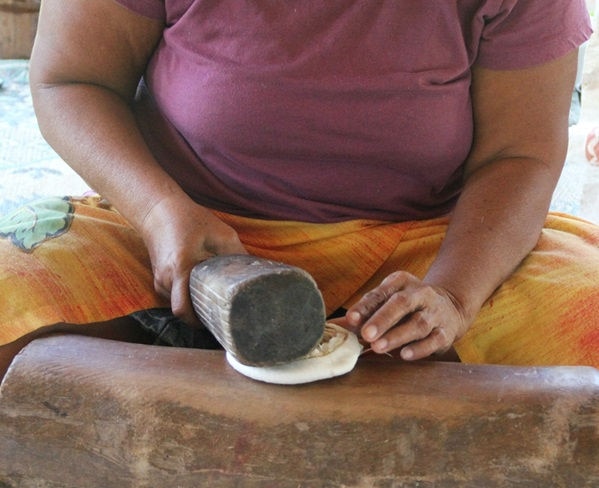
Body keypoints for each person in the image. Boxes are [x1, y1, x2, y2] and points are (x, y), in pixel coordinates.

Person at [0, 0, 597, 380]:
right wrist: (159, 212)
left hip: (425, 255)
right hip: (182, 237)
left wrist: (454, 298)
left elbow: (518, 155)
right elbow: (71, 79)